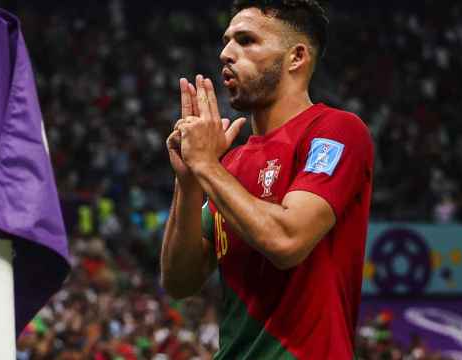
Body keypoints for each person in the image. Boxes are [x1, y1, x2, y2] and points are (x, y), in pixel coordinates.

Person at [160, 1, 374, 359]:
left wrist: (207, 166)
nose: (226, 53)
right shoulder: (232, 163)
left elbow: (286, 240)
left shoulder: (336, 131)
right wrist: (188, 180)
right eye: (227, 40)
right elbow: (179, 281)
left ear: (296, 57)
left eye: (246, 40)